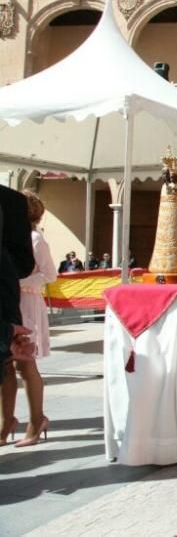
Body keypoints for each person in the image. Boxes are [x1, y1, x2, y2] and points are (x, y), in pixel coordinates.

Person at [12, 191, 57, 447]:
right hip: (13, 300)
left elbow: (50, 274)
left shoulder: (35, 239)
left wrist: (19, 282)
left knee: (26, 363)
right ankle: (10, 420)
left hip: (26, 300)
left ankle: (36, 419)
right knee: (13, 364)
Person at [0, 184, 35, 444]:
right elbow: (22, 264)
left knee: (13, 364)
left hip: (6, 300)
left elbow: (23, 265)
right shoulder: (11, 200)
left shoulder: (11, 201)